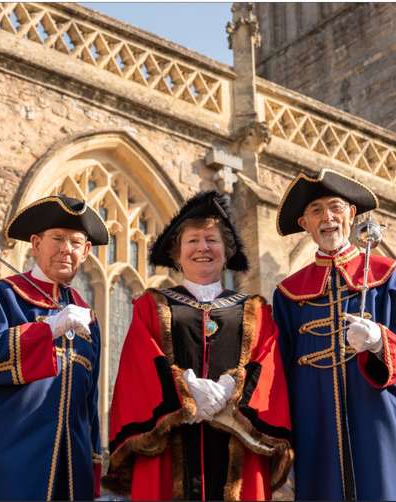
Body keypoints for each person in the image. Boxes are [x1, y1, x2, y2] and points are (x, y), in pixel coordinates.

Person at [104, 191, 292, 501]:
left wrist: (234, 389)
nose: (202, 247)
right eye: (192, 241)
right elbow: (140, 362)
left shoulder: (256, 310)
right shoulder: (152, 306)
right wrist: (185, 390)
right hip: (168, 450)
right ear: (177, 253)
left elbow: (267, 362)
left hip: (238, 450)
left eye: (212, 240)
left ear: (226, 251)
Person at [272, 169, 396, 500]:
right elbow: (279, 372)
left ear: (352, 214)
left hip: (382, 422)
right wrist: (278, 443)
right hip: (315, 429)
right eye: (316, 211)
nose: (327, 217)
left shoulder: (388, 276)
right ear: (304, 224)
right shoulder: (287, 294)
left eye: (336, 206)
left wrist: (378, 341)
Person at [0, 195, 108, 500]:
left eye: (75, 242)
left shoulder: (88, 319)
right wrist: (47, 330)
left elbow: (90, 406)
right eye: (57, 238)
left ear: (85, 251)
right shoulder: (7, 296)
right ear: (35, 243)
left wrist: (95, 475)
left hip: (73, 472)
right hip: (13, 463)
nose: (65, 249)